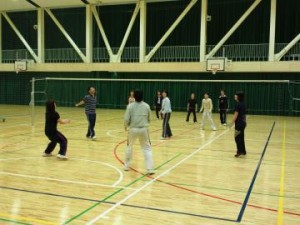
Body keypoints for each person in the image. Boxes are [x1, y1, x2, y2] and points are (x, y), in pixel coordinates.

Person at [124, 89, 154, 175]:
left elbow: (126, 119)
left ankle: (126, 166)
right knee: (147, 149)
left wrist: (126, 126)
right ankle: (150, 169)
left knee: (129, 146)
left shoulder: (130, 106)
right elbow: (150, 118)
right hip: (144, 129)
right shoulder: (146, 106)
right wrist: (146, 124)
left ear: (134, 97)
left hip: (133, 129)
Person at [230, 91, 247, 157]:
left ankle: (239, 151)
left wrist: (231, 123)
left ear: (239, 97)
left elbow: (235, 115)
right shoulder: (243, 104)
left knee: (237, 137)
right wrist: (245, 122)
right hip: (243, 123)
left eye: (236, 95)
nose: (235, 96)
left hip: (239, 124)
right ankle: (243, 151)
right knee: (241, 137)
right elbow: (244, 114)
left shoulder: (238, 104)